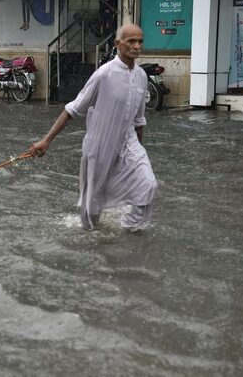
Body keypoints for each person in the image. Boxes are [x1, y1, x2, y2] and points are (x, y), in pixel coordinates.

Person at [28, 23, 158, 231]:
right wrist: (46, 140)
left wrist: (139, 153)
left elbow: (139, 120)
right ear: (117, 44)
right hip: (100, 144)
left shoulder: (142, 76)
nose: (136, 46)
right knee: (92, 204)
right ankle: (91, 240)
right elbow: (73, 109)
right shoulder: (103, 74)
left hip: (128, 142)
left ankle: (131, 233)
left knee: (147, 185)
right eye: (131, 41)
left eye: (140, 41)